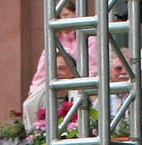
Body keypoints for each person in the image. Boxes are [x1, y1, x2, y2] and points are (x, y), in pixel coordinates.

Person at [23, 4, 99, 132]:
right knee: (30, 103)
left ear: (76, 14)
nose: (62, 19)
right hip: (55, 82)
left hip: (79, 81)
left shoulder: (89, 38)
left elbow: (93, 67)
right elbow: (42, 72)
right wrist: (34, 93)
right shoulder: (54, 40)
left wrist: (88, 87)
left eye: (66, 14)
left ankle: (78, 131)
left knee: (79, 101)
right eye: (60, 16)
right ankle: (33, 134)